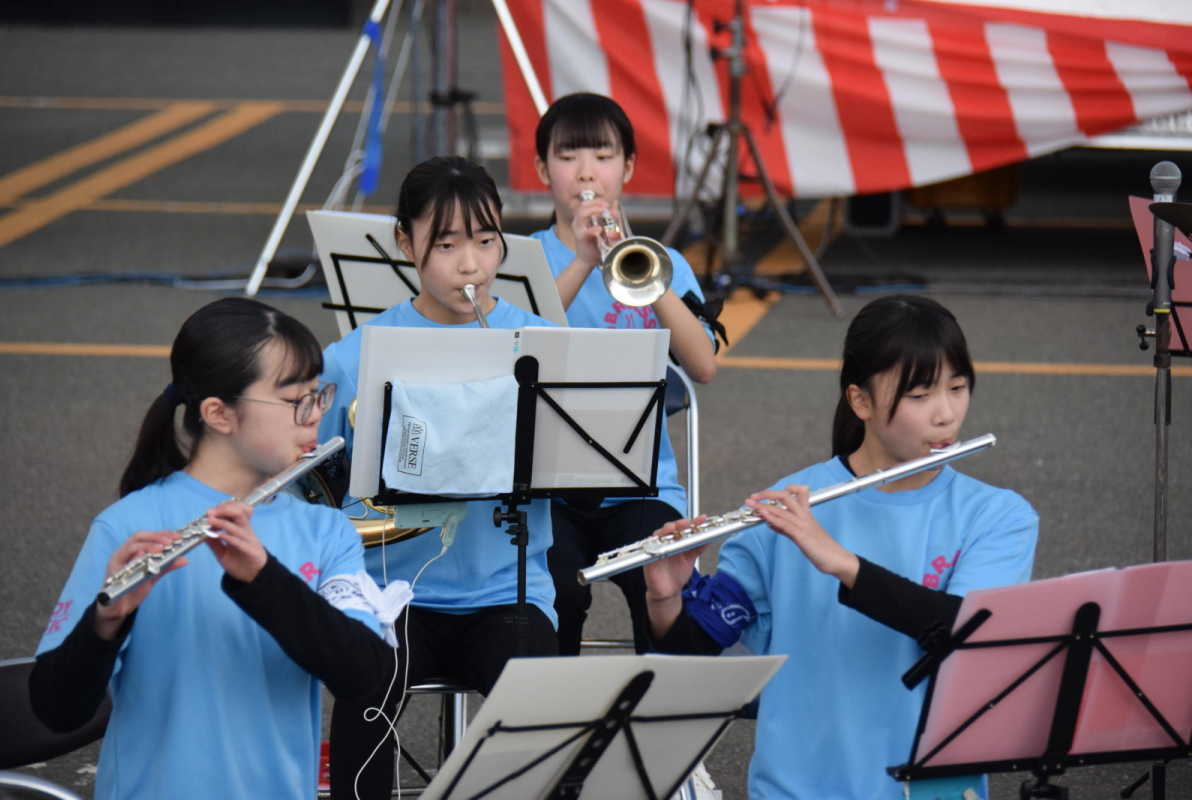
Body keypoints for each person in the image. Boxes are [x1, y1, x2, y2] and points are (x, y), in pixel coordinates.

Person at [644, 295, 1039, 800]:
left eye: (958, 388)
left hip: (929, 792)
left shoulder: (998, 517)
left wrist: (843, 563)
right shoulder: (784, 512)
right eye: (919, 396)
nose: (946, 414)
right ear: (861, 401)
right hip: (795, 790)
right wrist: (666, 597)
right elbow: (696, 660)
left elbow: (963, 631)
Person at [29, 297, 394, 800]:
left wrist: (266, 580)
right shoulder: (128, 527)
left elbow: (366, 677)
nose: (316, 416)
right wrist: (106, 621)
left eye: (318, 395)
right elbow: (56, 710)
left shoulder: (326, 531)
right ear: (220, 414)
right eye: (296, 401)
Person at [322, 155, 560, 798]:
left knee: (548, 728)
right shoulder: (356, 355)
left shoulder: (543, 344)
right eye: (447, 244)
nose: (471, 266)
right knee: (365, 697)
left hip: (508, 595)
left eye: (486, 242)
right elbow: (309, 480)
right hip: (392, 596)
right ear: (405, 243)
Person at [531, 92, 721, 655]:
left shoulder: (665, 262)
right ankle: (555, 724)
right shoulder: (523, 257)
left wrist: (646, 276)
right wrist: (584, 259)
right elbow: (509, 347)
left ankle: (657, 722)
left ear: (628, 168)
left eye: (602, 156)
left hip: (641, 489)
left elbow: (703, 366)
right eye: (568, 157)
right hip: (545, 495)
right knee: (551, 594)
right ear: (543, 169)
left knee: (665, 585)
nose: (586, 171)